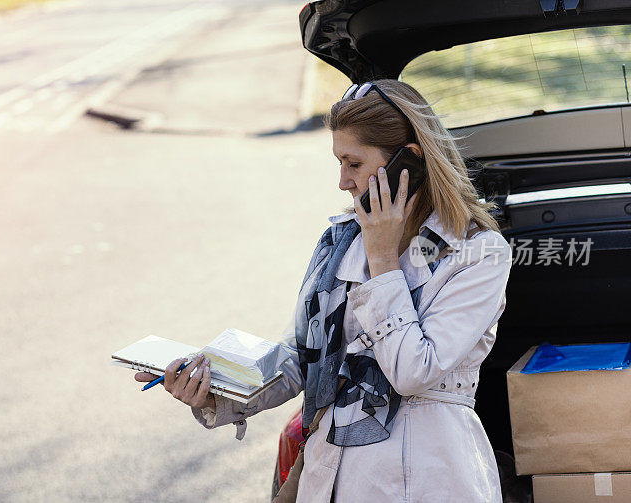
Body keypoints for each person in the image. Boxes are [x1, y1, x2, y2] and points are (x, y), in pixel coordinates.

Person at [134, 78, 512, 502]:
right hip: (333, 473)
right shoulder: (342, 241)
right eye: (339, 163)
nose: (342, 182)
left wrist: (384, 261)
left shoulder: (478, 252)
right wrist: (213, 384)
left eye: (353, 163)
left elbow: (412, 372)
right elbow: (303, 356)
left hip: (429, 475)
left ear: (409, 162)